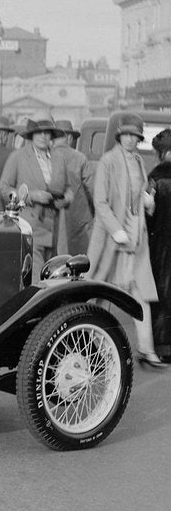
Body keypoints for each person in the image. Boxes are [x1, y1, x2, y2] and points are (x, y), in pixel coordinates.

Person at [85, 113, 166, 370]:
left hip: (134, 236)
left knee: (139, 292)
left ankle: (147, 350)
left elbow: (139, 192)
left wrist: (147, 202)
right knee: (99, 295)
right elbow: (100, 202)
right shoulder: (108, 161)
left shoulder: (139, 161)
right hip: (111, 240)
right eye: (127, 135)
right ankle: (86, 349)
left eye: (136, 136)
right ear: (120, 136)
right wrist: (115, 229)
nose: (131, 140)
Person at [0, 118, 72, 280]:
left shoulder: (58, 158)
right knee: (36, 280)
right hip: (30, 227)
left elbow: (68, 188)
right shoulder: (17, 157)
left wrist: (66, 198)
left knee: (55, 279)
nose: (43, 136)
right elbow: (4, 188)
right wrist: (31, 195)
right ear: (31, 136)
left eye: (47, 133)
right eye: (38, 132)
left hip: (55, 230)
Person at [146, 128, 171, 361]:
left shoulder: (155, 178)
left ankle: (163, 346)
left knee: (162, 293)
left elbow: (148, 216)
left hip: (161, 244)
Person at [52, 119, 92, 255]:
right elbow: (90, 188)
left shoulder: (46, 156)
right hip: (77, 216)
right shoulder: (80, 158)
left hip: (52, 214)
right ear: (69, 137)